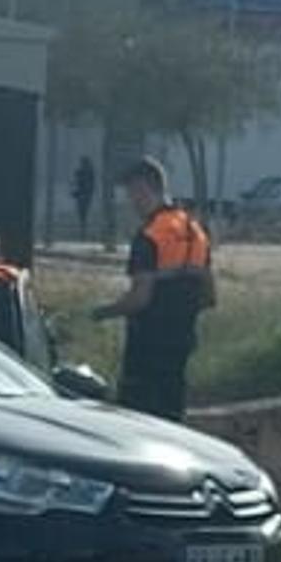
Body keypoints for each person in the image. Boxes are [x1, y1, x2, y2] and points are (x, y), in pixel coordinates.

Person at [90, 157, 215, 422]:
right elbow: (209, 296)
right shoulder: (196, 232)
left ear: (143, 188)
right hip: (181, 342)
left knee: (137, 420)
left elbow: (139, 298)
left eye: (132, 193)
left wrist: (101, 312)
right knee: (171, 417)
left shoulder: (149, 236)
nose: (131, 201)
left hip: (148, 346)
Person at [72, 157, 97, 241]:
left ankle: (83, 231)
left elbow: (87, 185)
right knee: (82, 213)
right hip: (83, 195)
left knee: (83, 213)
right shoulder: (84, 172)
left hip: (84, 195)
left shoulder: (86, 172)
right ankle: (82, 230)